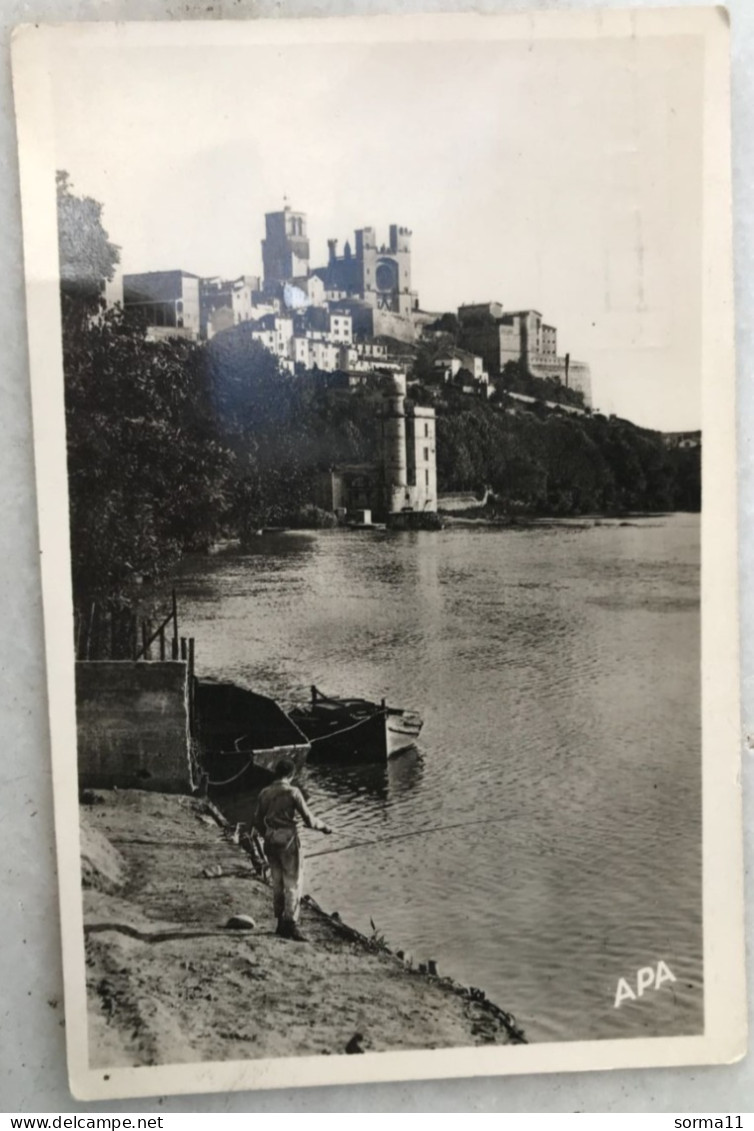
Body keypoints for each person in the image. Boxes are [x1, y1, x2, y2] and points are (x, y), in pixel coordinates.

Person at [252, 758, 332, 941]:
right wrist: (325, 827)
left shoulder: (264, 793)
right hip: (288, 843)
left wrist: (269, 835)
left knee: (277, 883)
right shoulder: (293, 792)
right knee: (293, 883)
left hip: (271, 842)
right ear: (291, 775)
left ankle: (280, 923)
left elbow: (257, 821)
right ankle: (291, 925)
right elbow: (309, 821)